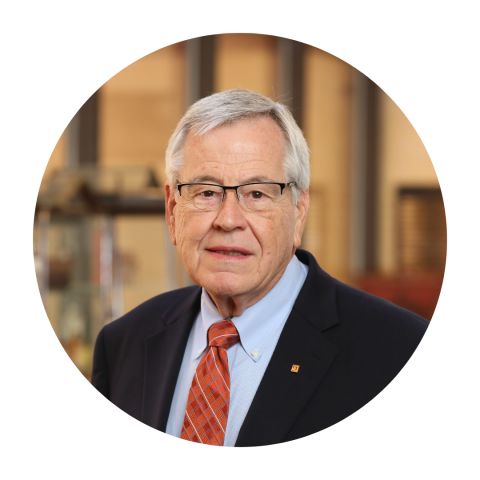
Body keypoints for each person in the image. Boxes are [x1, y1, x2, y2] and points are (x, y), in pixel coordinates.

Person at [92, 89, 428, 447]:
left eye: (256, 194)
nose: (228, 219)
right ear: (172, 210)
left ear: (298, 212)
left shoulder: (401, 352)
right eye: (206, 192)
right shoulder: (122, 345)